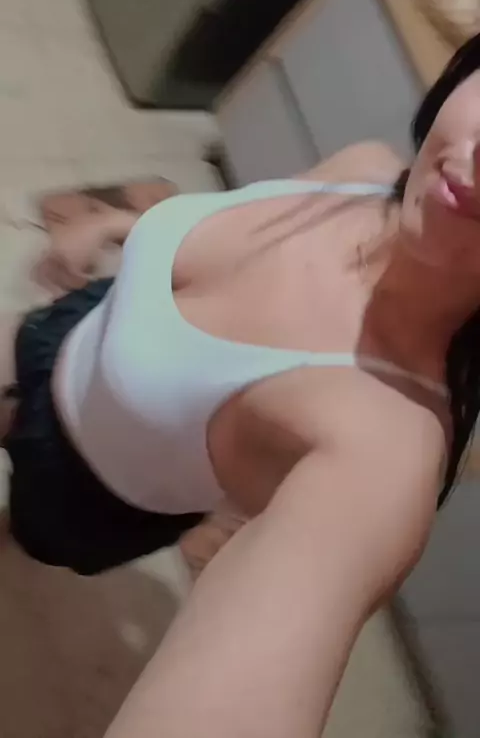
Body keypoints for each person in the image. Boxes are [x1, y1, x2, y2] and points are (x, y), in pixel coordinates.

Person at [1, 34, 480, 594]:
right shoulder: (364, 169)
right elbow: (231, 223)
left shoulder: (384, 428)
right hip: (73, 325)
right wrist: (116, 225)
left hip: (84, 491)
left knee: (27, 530)